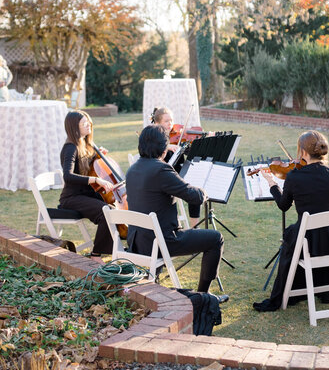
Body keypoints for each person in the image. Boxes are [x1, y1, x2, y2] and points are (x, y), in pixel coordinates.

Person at [253, 129, 329, 312]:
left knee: (290, 235)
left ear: (303, 152)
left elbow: (283, 205)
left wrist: (271, 182)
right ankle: (327, 289)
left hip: (307, 243)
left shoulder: (295, 176)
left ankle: (295, 289)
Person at [126, 124, 224, 293]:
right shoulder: (161, 169)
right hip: (162, 241)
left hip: (138, 241)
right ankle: (203, 296)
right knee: (216, 239)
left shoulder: (132, 169)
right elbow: (195, 197)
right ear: (164, 149)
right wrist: (203, 191)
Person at [58, 110, 114, 259]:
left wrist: (95, 157)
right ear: (74, 127)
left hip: (85, 194)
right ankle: (95, 255)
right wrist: (95, 180)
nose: (88, 125)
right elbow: (68, 176)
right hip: (72, 198)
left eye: (88, 122)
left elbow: (84, 167)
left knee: (115, 209)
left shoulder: (86, 143)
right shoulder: (70, 147)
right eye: (84, 123)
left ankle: (118, 248)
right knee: (105, 211)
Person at [151, 106, 201, 227]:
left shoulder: (178, 135)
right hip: (165, 178)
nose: (170, 124)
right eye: (166, 121)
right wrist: (166, 147)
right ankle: (175, 224)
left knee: (194, 190)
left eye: (171, 120)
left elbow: (190, 155)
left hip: (180, 174)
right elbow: (152, 154)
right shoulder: (153, 138)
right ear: (157, 123)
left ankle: (195, 227)